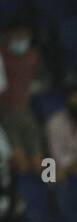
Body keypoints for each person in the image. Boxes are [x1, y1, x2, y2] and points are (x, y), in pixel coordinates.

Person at [0, 19, 42, 175]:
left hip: (26, 112)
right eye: (18, 35)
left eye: (25, 36)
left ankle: (50, 185)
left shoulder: (33, 56)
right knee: (21, 164)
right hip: (6, 115)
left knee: (40, 162)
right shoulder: (2, 56)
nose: (21, 39)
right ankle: (19, 193)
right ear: (9, 36)